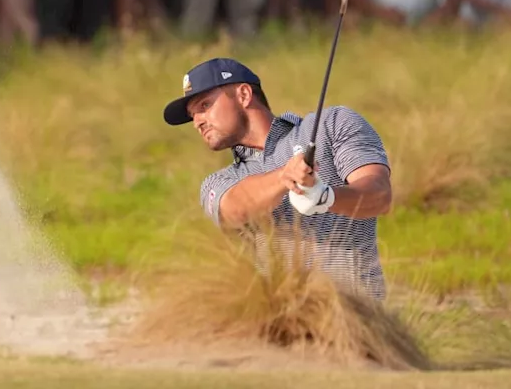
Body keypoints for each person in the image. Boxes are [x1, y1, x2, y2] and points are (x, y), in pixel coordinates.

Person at [163, 57, 394, 301]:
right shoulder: (219, 183)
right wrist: (285, 177)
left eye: (205, 106)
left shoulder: (331, 124)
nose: (197, 121)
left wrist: (326, 196)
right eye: (193, 115)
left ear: (243, 95)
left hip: (359, 318)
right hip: (279, 329)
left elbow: (379, 195)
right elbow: (234, 209)